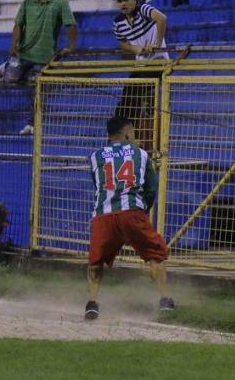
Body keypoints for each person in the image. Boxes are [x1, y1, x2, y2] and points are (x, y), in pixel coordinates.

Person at [85, 116, 174, 321]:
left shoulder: (95, 156)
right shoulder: (141, 154)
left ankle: (92, 303)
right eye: (133, 133)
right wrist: (143, 210)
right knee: (155, 253)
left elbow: (98, 184)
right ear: (126, 133)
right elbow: (151, 188)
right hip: (132, 211)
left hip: (103, 214)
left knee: (96, 260)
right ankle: (165, 300)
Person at [112, 0, 168, 151]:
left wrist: (157, 45)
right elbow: (122, 42)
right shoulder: (117, 22)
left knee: (132, 92)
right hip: (141, 64)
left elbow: (162, 19)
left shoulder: (143, 9)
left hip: (158, 61)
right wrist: (136, 49)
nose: (123, 3)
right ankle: (127, 138)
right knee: (126, 101)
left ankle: (128, 138)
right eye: (120, 0)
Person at [6, 0, 78, 89]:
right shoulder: (27, 2)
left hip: (44, 59)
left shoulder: (61, 3)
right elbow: (18, 24)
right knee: (9, 80)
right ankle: (7, 67)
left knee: (37, 86)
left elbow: (71, 25)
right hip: (23, 55)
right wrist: (13, 45)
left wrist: (71, 47)